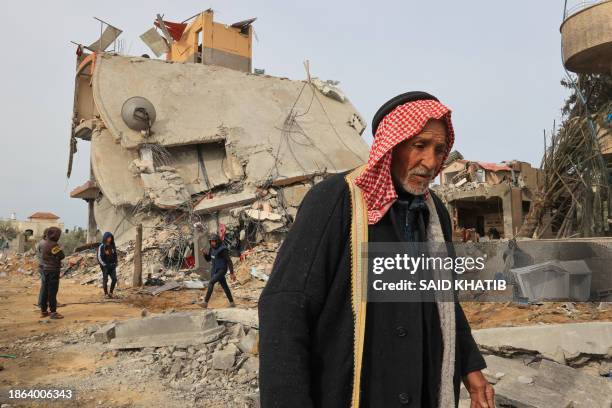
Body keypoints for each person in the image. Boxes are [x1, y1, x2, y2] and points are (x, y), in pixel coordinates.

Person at [259, 92, 494, 407]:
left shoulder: (433, 212)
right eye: (419, 146)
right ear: (392, 146)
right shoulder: (336, 201)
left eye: (439, 150)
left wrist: (470, 366)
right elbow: (285, 310)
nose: (431, 162)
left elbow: (443, 297)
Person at [201, 233, 236, 309]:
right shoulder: (212, 248)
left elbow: (229, 261)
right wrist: (204, 254)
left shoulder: (223, 249)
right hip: (215, 270)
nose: (212, 243)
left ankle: (205, 303)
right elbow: (208, 259)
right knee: (225, 286)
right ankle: (232, 303)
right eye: (211, 241)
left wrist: (232, 273)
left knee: (211, 282)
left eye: (213, 241)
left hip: (222, 269)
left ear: (217, 241)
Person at [40, 226, 65, 319]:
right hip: (53, 271)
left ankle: (43, 311)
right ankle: (53, 312)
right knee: (52, 292)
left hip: (45, 269)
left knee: (45, 291)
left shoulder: (45, 243)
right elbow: (62, 256)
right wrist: (60, 249)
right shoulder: (54, 245)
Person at [97, 232, 118, 299]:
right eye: (108, 238)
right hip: (105, 266)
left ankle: (111, 293)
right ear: (105, 238)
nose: (109, 239)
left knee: (114, 279)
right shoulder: (101, 246)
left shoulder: (112, 246)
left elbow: (115, 255)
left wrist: (115, 262)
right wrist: (104, 264)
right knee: (105, 280)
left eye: (110, 238)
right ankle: (106, 293)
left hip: (112, 266)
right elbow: (99, 257)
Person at [36, 228, 49, 309]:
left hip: (43, 266)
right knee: (44, 286)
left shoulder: (42, 242)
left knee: (46, 286)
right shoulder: (44, 243)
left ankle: (45, 302)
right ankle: (41, 303)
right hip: (45, 267)